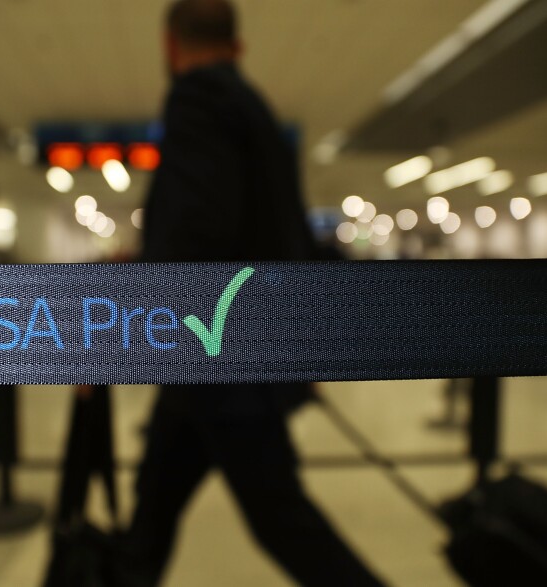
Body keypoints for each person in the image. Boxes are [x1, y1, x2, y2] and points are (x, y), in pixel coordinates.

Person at [118, 1, 385, 585]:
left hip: (221, 368)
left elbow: (196, 236)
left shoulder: (197, 100)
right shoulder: (256, 112)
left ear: (170, 46)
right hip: (223, 371)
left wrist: (119, 331)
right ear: (238, 46)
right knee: (151, 516)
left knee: (282, 521)